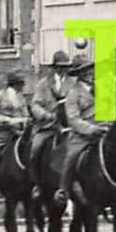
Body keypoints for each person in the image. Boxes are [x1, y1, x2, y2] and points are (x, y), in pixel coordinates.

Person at [57, 55, 106, 206]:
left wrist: (109, 124)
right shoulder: (73, 93)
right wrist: (92, 129)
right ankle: (63, 190)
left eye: (90, 70)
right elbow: (73, 119)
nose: (89, 73)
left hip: (104, 131)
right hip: (82, 136)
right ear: (79, 74)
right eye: (84, 71)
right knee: (71, 157)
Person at [29, 51, 75, 187]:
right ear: (54, 68)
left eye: (65, 67)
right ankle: (36, 184)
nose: (63, 70)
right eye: (60, 67)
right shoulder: (43, 84)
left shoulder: (73, 83)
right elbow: (35, 105)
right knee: (35, 148)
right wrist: (46, 115)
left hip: (70, 127)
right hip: (48, 127)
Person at [0, 71, 30, 178]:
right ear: (15, 83)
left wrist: (26, 121)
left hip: (20, 134)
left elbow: (25, 114)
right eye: (21, 83)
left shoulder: (21, 98)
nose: (23, 85)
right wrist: (9, 121)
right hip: (2, 135)